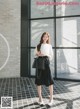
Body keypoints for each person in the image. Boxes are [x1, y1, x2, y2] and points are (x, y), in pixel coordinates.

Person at [34, 32, 54, 106]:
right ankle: (40, 99)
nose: (45, 38)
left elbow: (51, 56)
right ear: (42, 37)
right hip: (39, 63)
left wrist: (45, 55)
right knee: (39, 81)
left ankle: (51, 99)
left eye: (46, 37)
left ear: (48, 38)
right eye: (44, 36)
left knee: (50, 81)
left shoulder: (49, 46)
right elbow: (35, 54)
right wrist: (38, 54)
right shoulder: (38, 45)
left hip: (46, 63)